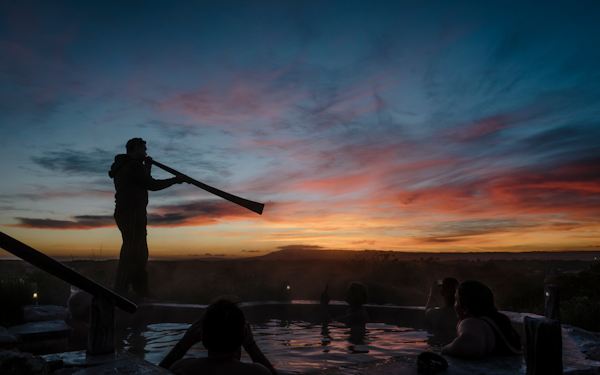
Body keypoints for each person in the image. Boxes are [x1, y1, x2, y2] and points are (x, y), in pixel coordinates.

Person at [109, 138, 187, 300]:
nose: (146, 152)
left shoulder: (128, 165)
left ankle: (140, 291)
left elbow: (141, 181)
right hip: (131, 212)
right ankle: (120, 291)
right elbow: (151, 185)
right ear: (136, 148)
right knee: (131, 252)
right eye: (144, 149)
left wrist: (148, 166)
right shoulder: (132, 165)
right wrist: (176, 180)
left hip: (130, 212)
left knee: (140, 253)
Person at [159, 298, 278, 375]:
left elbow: (156, 371)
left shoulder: (182, 369)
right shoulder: (257, 373)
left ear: (203, 340)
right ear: (245, 336)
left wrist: (185, 341)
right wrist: (252, 347)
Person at [441, 280, 523, 358]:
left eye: (456, 301)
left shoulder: (471, 322)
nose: (454, 305)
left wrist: (444, 350)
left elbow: (470, 347)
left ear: (465, 309)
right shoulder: (498, 320)